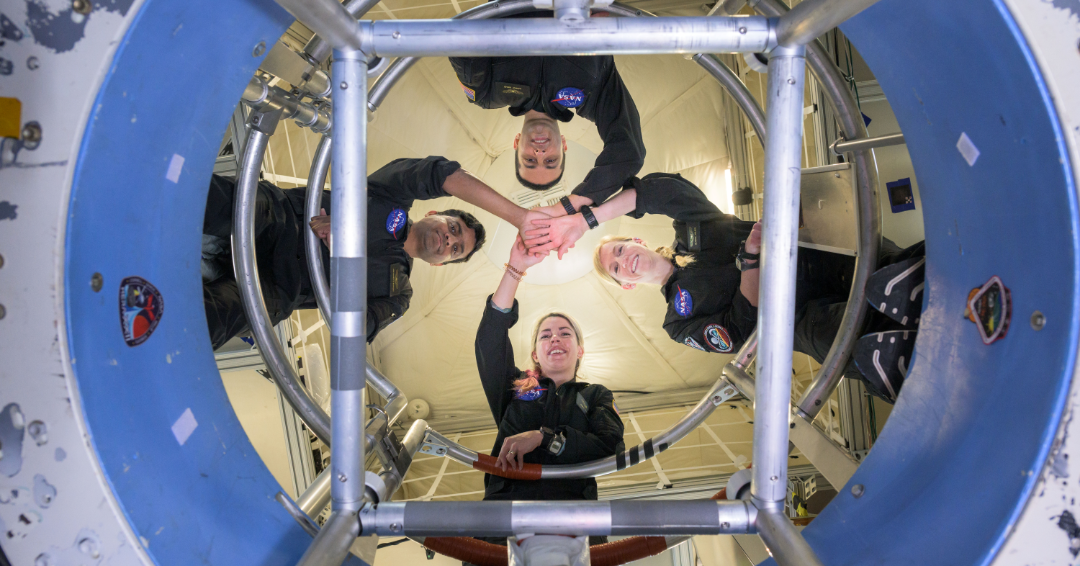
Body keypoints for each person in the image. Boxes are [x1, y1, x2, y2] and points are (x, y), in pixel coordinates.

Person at [588, 173, 925, 403]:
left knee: (883, 270)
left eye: (619, 250)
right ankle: (899, 357)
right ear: (627, 286)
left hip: (819, 256)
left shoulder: (692, 228)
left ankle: (918, 285)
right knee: (832, 336)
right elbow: (738, 330)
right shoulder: (676, 323)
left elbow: (663, 189)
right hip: (796, 315)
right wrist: (750, 259)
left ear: (635, 239)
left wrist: (594, 215)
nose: (624, 261)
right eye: (616, 270)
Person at [202, 156, 543, 349]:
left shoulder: (400, 293)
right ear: (432, 214)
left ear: (440, 263)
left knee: (207, 321)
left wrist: (343, 264)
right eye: (453, 228)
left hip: (277, 290)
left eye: (456, 250)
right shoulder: (389, 195)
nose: (448, 241)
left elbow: (359, 328)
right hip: (278, 219)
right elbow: (436, 174)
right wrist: (519, 217)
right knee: (209, 204)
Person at [471, 235, 624, 554]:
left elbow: (610, 446)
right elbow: (490, 339)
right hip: (503, 523)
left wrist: (546, 438)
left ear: (579, 349)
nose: (555, 338)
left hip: (576, 526)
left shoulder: (595, 394)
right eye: (546, 335)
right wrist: (516, 268)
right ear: (536, 353)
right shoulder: (516, 388)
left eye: (565, 333)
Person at [450, 49, 645, 205]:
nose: (540, 153)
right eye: (551, 160)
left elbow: (460, 40)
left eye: (530, 159)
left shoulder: (486, 93)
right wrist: (578, 201)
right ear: (564, 145)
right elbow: (630, 151)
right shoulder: (594, 95)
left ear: (516, 143)